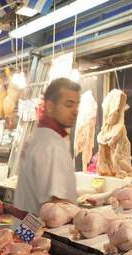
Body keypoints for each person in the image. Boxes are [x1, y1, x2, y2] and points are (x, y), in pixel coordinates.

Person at [14, 78, 80, 215]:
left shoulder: (39, 136)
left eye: (77, 105)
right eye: (69, 105)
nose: (75, 111)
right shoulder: (52, 144)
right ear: (50, 106)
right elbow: (57, 205)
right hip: (42, 230)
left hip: (26, 228)